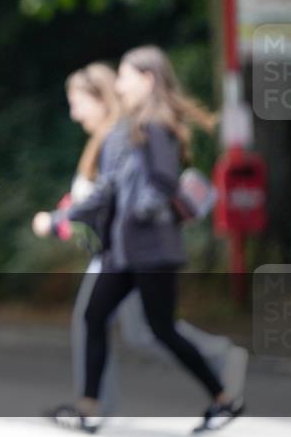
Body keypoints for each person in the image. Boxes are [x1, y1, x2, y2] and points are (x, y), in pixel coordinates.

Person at [33, 46, 244, 434]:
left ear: (147, 80)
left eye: (126, 76)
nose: (120, 83)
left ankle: (224, 397)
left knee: (160, 329)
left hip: (151, 249)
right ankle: (87, 407)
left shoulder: (154, 125)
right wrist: (65, 217)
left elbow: (162, 183)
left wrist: (140, 211)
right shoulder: (129, 128)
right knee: (95, 315)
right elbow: (108, 190)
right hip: (125, 250)